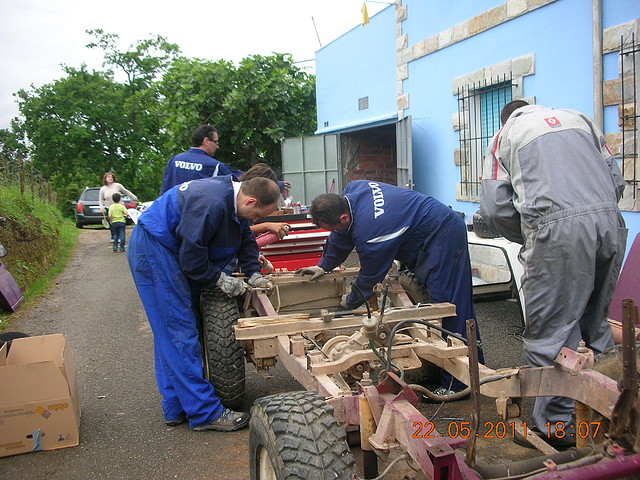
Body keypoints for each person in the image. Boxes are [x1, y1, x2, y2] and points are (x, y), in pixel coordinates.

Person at [479, 101, 627, 444]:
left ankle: (556, 428)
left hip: (556, 231)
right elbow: (615, 178)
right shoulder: (580, 120)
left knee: (552, 335)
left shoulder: (506, 134)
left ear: (506, 116)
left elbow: (495, 208)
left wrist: (533, 233)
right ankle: (613, 411)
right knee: (595, 324)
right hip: (609, 224)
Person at [297, 180, 484, 394]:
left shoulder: (372, 231)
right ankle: (475, 365)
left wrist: (350, 300)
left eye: (333, 227)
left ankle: (458, 384)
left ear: (344, 217)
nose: (335, 231)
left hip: (442, 233)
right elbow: (341, 235)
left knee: (447, 304)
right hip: (425, 228)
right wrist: (323, 266)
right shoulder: (353, 191)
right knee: (444, 299)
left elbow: (370, 275)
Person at [127, 176, 280, 431]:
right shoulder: (210, 202)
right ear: (250, 200)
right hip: (155, 249)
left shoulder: (234, 202)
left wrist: (253, 272)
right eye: (256, 215)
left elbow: (244, 238)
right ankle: (204, 412)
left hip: (165, 247)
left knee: (171, 331)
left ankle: (176, 406)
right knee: (179, 331)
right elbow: (191, 258)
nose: (255, 221)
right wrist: (219, 279)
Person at [159, 125, 244, 195]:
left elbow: (164, 189)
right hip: (195, 213)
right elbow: (239, 178)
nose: (217, 147)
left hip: (170, 211)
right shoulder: (214, 166)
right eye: (216, 142)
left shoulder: (174, 160)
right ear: (206, 141)